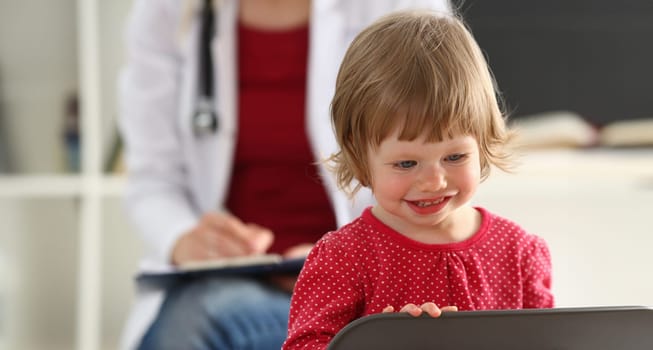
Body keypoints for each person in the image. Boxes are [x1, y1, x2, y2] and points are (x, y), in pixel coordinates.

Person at [118, 0, 451, 349]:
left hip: (365, 288)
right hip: (227, 282)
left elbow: (436, 173)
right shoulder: (165, 12)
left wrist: (342, 262)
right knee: (198, 313)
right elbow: (153, 180)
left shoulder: (404, 6)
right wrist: (184, 238)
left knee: (197, 320)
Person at [282, 9, 554, 349]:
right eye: (407, 163)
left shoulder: (520, 253)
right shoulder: (344, 259)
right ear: (359, 154)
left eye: (455, 157)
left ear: (482, 142)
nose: (433, 181)